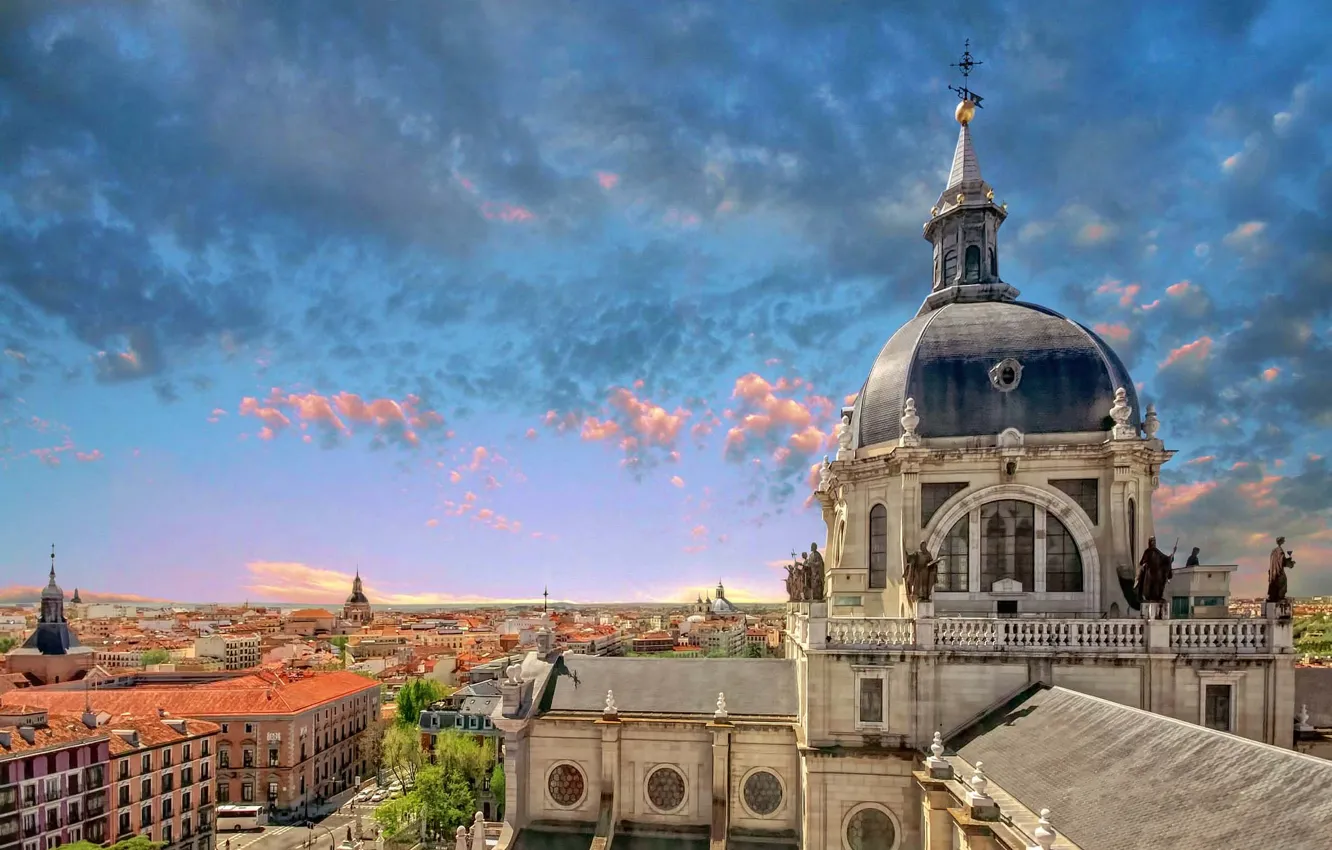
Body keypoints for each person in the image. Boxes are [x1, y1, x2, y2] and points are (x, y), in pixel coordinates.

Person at [1134, 536, 1176, 605]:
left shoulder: (1156, 552)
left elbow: (1166, 559)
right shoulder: (1147, 552)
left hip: (1155, 574)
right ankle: (1146, 596)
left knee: (1157, 585)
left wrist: (1172, 555)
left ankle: (1157, 597)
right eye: (1152, 541)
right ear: (1150, 542)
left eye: (1154, 541)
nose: (1153, 543)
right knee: (1146, 583)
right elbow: (1142, 562)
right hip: (1149, 573)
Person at [1268, 536, 1295, 603]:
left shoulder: (1274, 551)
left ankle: (1275, 596)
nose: (1284, 541)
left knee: (1275, 583)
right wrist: (1290, 563)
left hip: (1273, 571)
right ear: (1281, 541)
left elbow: (1278, 561)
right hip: (1278, 571)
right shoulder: (1280, 551)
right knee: (1283, 581)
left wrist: (1287, 560)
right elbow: (1282, 562)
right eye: (1283, 540)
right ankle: (1280, 597)